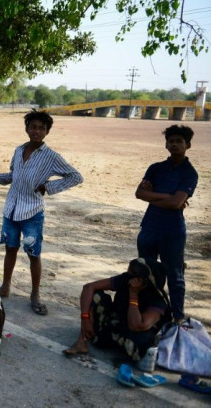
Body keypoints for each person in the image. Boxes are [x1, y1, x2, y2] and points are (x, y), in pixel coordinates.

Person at [0, 110, 83, 316]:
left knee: (33, 254)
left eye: (41, 128)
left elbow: (76, 176)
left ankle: (35, 293)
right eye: (33, 127)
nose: (36, 131)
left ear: (47, 132)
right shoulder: (18, 150)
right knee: (10, 248)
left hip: (32, 212)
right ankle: (6, 284)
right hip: (11, 209)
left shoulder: (51, 157)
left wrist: (48, 187)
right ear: (26, 129)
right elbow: (12, 177)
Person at [135, 125, 197, 321]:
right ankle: (151, 312)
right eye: (171, 141)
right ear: (166, 144)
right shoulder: (155, 168)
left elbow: (176, 203)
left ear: (188, 145)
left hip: (172, 231)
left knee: (175, 276)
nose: (175, 144)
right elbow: (139, 194)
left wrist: (157, 197)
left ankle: (177, 316)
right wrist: (168, 197)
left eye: (179, 141)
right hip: (150, 226)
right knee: (147, 272)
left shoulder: (190, 173)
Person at [63, 258, 170, 362]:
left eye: (132, 274)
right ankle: (82, 342)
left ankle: (123, 354)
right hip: (116, 324)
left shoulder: (157, 302)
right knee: (96, 296)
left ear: (143, 281)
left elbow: (137, 326)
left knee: (143, 340)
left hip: (131, 333)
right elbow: (89, 287)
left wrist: (133, 295)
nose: (128, 275)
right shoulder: (125, 280)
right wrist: (85, 318)